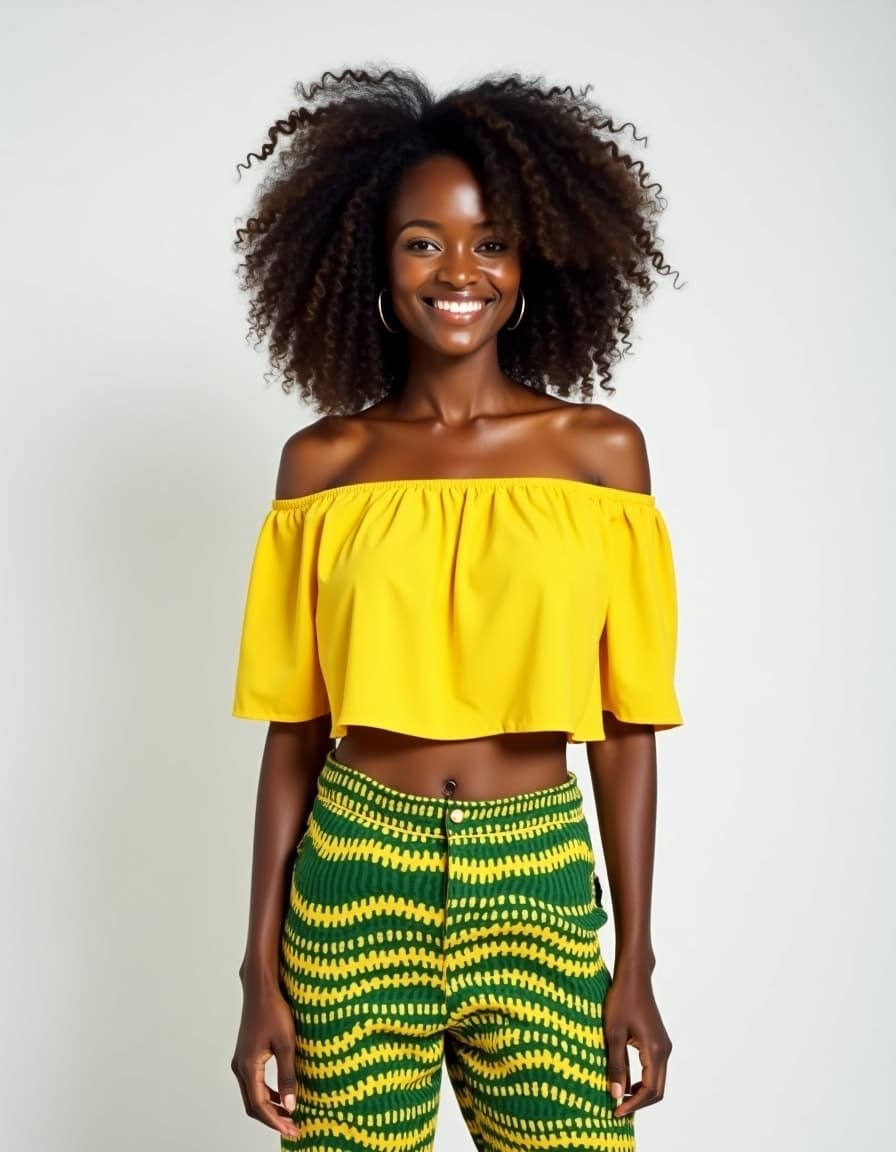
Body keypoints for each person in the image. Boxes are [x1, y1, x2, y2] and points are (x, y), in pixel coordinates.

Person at [229, 67, 683, 1152]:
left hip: (534, 876)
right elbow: (293, 729)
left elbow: (626, 728)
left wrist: (634, 960)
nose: (458, 272)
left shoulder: (597, 455)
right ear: (372, 267)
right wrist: (256, 973)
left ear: (530, 264)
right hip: (351, 881)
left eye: (489, 242)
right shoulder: (323, 467)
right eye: (421, 242)